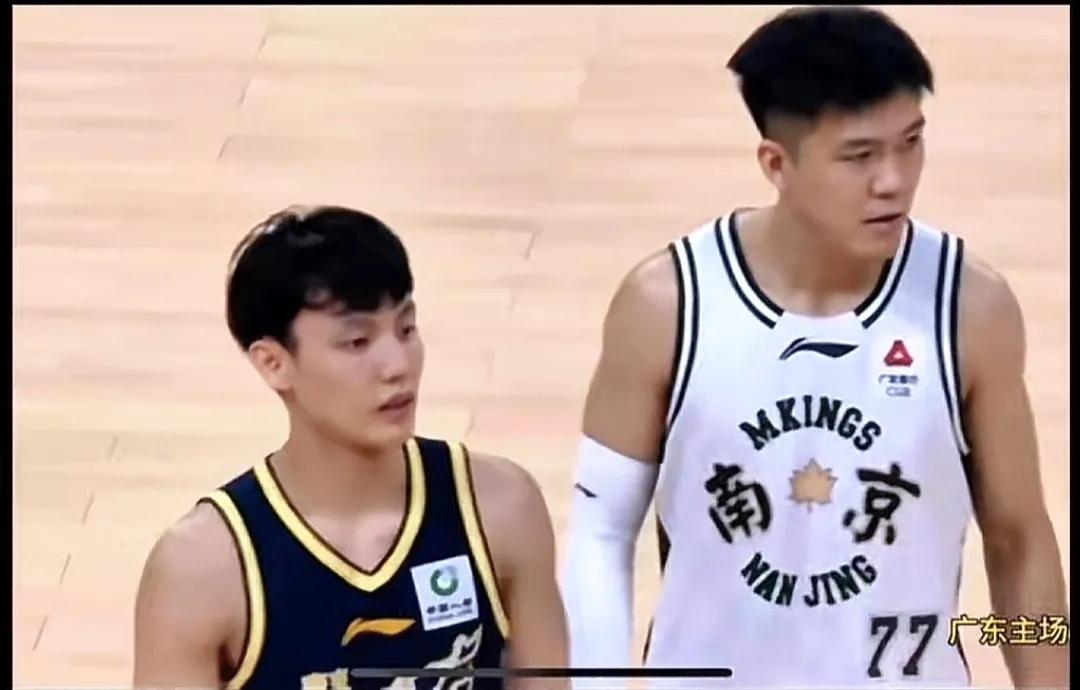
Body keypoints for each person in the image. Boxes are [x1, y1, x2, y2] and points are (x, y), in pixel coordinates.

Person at [560, 6, 1069, 688]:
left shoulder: (969, 307)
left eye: (911, 142)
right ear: (777, 163)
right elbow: (600, 531)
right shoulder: (666, 306)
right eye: (859, 156)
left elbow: (1019, 539)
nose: (894, 180)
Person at [133, 205, 568, 690]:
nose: (397, 365)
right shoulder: (202, 569)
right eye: (358, 342)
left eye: (406, 329)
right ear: (274, 363)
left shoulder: (499, 508)